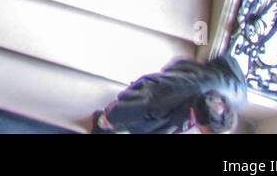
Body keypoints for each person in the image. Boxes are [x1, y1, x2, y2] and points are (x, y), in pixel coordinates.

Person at [92, 55, 246, 134]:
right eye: (204, 131)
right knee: (119, 120)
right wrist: (109, 118)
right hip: (158, 92)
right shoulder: (161, 100)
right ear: (192, 113)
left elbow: (227, 61)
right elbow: (133, 106)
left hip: (186, 75)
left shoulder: (237, 94)